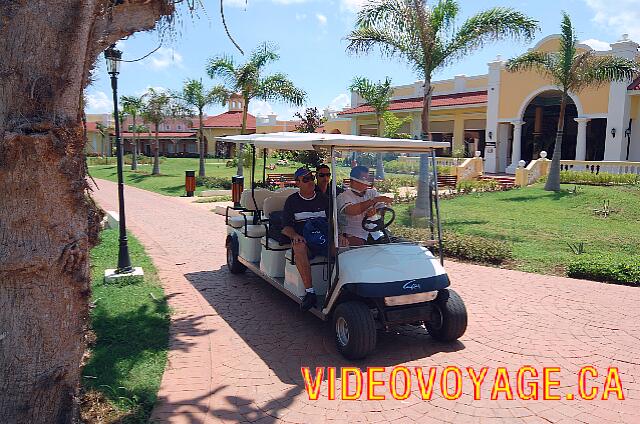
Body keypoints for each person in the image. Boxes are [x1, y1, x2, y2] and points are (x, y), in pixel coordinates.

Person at [282, 167, 329, 311]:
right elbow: (286, 228)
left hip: (324, 239)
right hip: (306, 242)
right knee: (298, 247)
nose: (310, 182)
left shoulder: (324, 199)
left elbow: (333, 222)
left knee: (343, 247)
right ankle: (310, 292)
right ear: (298, 183)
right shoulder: (292, 201)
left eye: (311, 178)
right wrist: (295, 236)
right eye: (305, 179)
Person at [337, 165, 393, 246]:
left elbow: (382, 209)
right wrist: (374, 201)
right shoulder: (343, 196)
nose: (367, 182)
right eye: (364, 179)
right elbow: (352, 211)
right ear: (354, 181)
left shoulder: (372, 193)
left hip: (375, 233)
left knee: (396, 244)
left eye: (367, 178)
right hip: (354, 234)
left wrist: (377, 211)